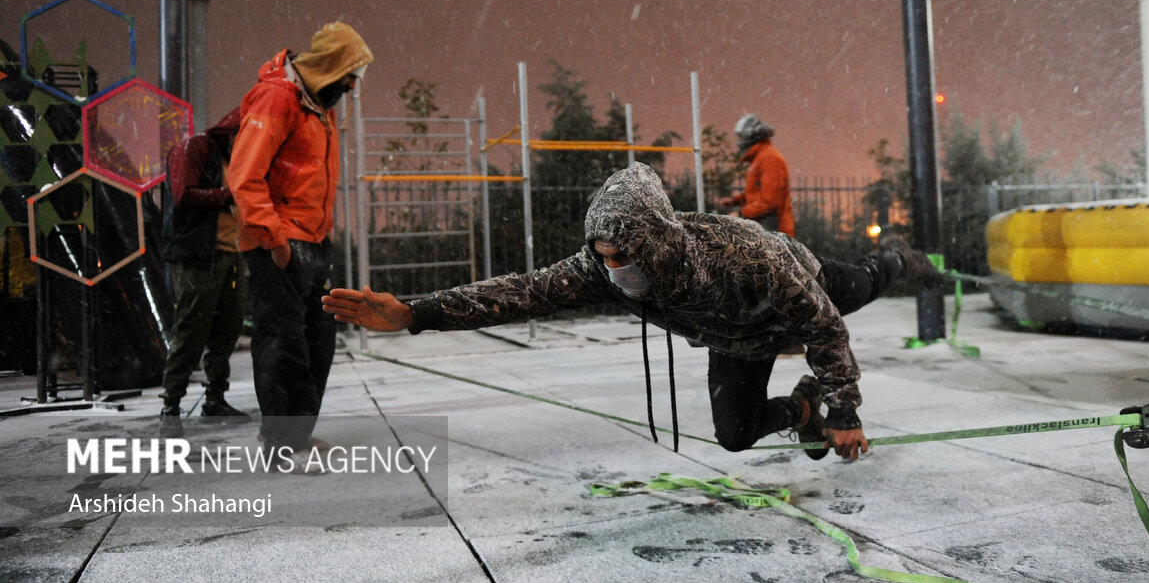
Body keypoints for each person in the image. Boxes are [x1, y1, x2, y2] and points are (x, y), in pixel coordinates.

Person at [323, 162, 941, 461]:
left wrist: (845, 411)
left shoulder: (747, 256)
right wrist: (413, 314)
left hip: (798, 289)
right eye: (604, 255)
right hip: (738, 337)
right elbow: (520, 293)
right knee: (733, 437)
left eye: (625, 253)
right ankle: (798, 404)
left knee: (863, 284)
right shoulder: (603, 272)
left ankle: (896, 257)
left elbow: (823, 327)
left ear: (658, 244)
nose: (615, 266)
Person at [227, 21, 373, 471]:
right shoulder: (277, 98)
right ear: (330, 67)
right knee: (284, 343)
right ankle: (282, 446)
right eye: (351, 73)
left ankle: (295, 436)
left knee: (316, 340)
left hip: (311, 240)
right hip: (281, 242)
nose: (353, 84)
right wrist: (275, 239)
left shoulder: (317, 105)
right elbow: (244, 175)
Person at [158, 108, 250, 439]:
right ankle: (171, 405)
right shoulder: (196, 147)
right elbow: (184, 194)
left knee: (226, 328)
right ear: (232, 132)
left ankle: (216, 398)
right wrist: (230, 195)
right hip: (198, 254)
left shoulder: (235, 156)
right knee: (191, 327)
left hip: (231, 253)